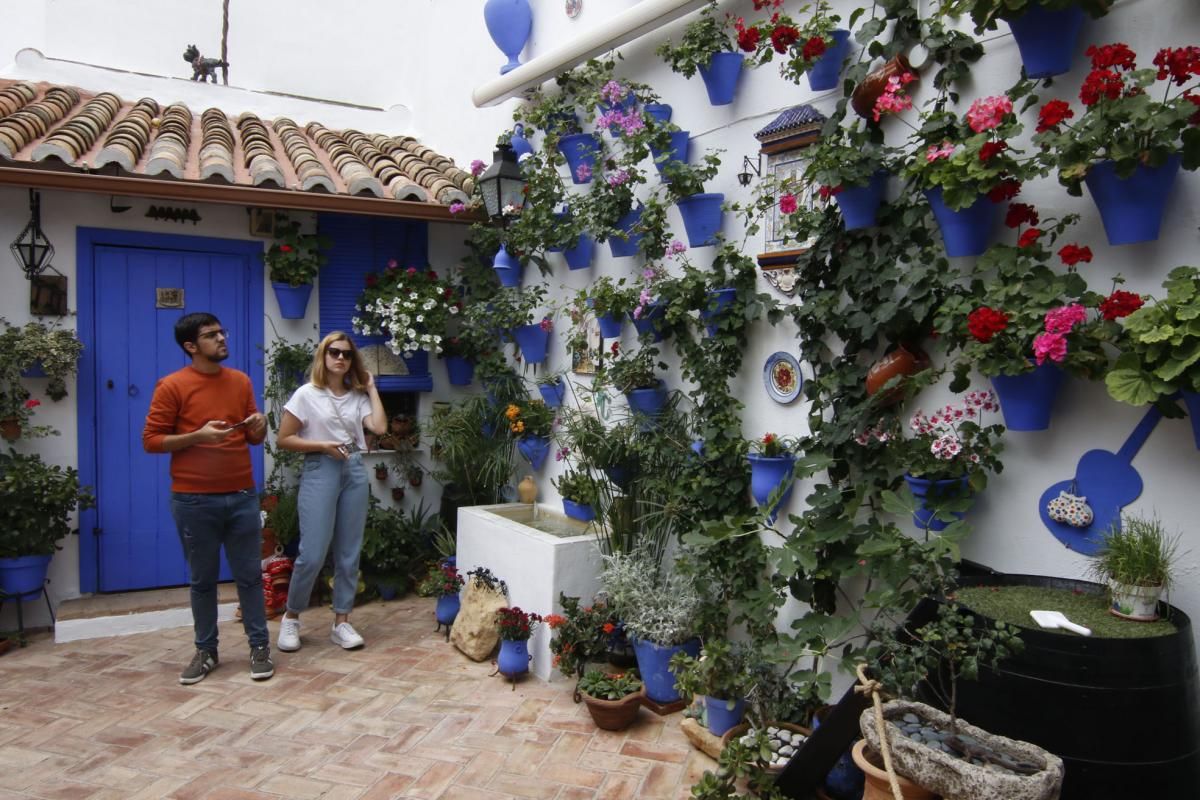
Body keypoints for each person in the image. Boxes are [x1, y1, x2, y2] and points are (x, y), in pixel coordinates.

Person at [142, 312, 273, 685]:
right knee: (203, 580)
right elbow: (151, 441)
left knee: (249, 577)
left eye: (222, 331)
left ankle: (259, 647)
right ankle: (206, 650)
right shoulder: (171, 386)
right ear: (190, 346)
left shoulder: (240, 381)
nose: (221, 338)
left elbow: (252, 438)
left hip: (243, 495)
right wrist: (197, 436)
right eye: (211, 335)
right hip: (194, 500)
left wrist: (260, 427)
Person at [274, 332, 386, 652]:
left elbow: (378, 428)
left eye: (347, 354)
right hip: (320, 467)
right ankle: (292, 618)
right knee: (312, 553)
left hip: (352, 468)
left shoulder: (357, 396)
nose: (340, 358)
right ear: (323, 356)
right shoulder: (306, 395)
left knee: (349, 551)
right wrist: (322, 445)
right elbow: (284, 438)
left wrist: (372, 388)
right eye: (334, 352)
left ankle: (342, 621)